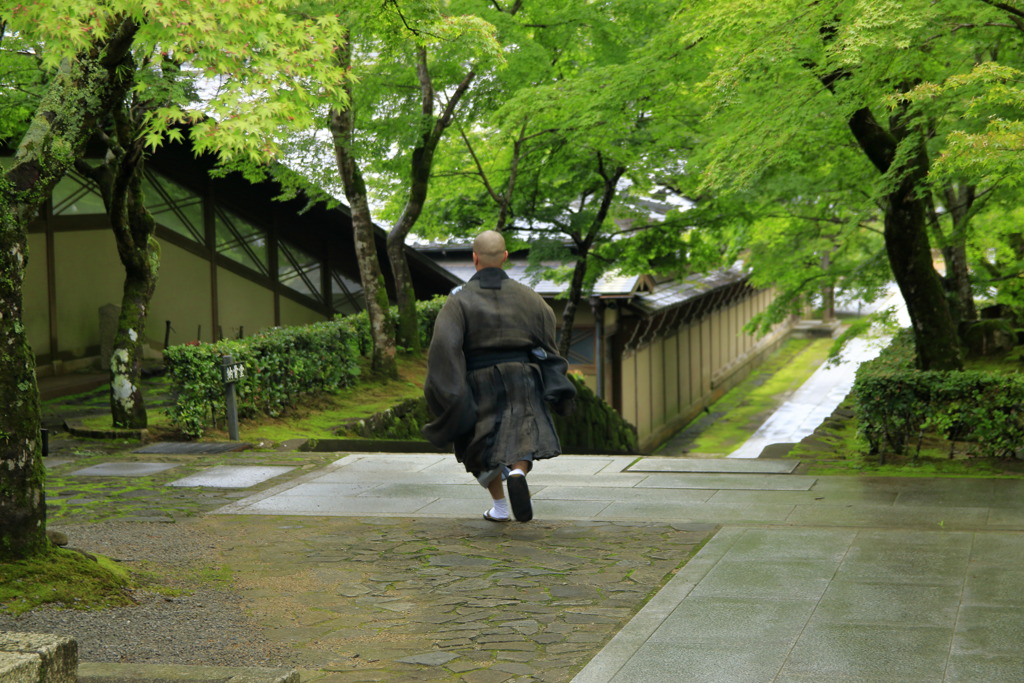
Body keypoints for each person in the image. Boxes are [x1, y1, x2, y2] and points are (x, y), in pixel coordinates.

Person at [422, 230, 576, 523]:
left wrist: (449, 389)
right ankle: (518, 472)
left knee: (480, 446)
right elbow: (546, 341)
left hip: (479, 380)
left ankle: (501, 508)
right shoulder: (530, 297)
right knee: (524, 436)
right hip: (524, 377)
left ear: (474, 258)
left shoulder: (459, 300)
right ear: (505, 257)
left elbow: (444, 346)